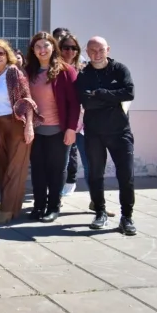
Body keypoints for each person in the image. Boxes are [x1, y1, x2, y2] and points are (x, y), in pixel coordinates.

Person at [77, 36, 136, 235]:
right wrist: (111, 97)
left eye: (101, 50)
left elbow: (128, 93)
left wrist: (100, 93)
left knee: (126, 176)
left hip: (120, 132)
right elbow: (86, 102)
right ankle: (100, 212)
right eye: (92, 50)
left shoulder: (120, 70)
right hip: (94, 133)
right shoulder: (84, 74)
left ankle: (126, 217)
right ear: (87, 52)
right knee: (95, 174)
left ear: (108, 49)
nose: (97, 54)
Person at [24, 31, 79, 223]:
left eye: (46, 46)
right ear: (33, 49)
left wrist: (72, 129)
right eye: (38, 46)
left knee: (56, 170)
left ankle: (54, 206)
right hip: (35, 131)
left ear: (53, 48)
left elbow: (74, 103)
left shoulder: (65, 71)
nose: (42, 50)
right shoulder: (28, 71)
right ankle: (39, 206)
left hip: (58, 130)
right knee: (38, 170)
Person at [0, 40, 37, 224]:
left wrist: (29, 125)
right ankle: (12, 209)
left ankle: (6, 210)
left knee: (15, 169)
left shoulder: (13, 72)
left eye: (1, 53)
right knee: (1, 168)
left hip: (15, 124)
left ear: (7, 55)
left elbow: (27, 99)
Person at [59, 33, 89, 198]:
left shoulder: (84, 69)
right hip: (63, 122)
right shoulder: (55, 70)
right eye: (66, 47)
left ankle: (98, 203)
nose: (70, 51)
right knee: (61, 163)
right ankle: (56, 199)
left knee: (90, 163)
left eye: (74, 48)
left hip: (83, 123)